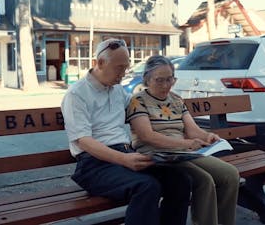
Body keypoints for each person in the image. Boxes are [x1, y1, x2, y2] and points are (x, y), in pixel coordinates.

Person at [61, 39, 191, 225]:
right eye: (119, 68)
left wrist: (166, 97)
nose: (123, 74)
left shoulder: (117, 90)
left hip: (125, 156)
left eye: (126, 68)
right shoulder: (77, 94)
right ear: (99, 63)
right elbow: (83, 141)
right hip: (93, 165)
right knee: (147, 187)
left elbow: (142, 104)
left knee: (179, 180)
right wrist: (123, 159)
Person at [126, 55, 241, 225]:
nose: (165, 85)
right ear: (147, 79)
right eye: (159, 80)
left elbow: (192, 129)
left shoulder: (176, 100)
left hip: (183, 153)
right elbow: (147, 136)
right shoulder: (138, 101)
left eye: (170, 79)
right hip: (158, 155)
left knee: (230, 174)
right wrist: (186, 144)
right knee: (204, 181)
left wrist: (207, 136)